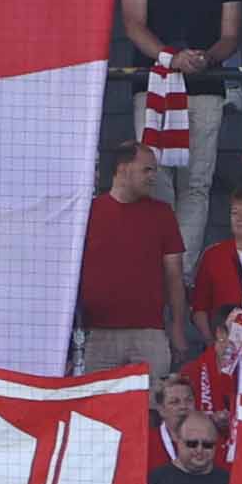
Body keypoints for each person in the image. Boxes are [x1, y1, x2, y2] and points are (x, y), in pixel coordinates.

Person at [118, 0, 242, 233]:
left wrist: (208, 58)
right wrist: (170, 57)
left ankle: (184, 275)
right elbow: (133, 25)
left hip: (205, 87)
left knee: (197, 185)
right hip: (154, 86)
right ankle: (160, 267)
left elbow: (231, 34)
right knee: (154, 179)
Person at [76, 142, 187, 376]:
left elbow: (174, 276)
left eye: (154, 170)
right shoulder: (86, 214)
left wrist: (177, 327)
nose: (153, 176)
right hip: (97, 335)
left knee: (152, 409)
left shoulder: (163, 214)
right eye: (147, 169)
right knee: (99, 409)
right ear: (124, 169)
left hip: (150, 335)